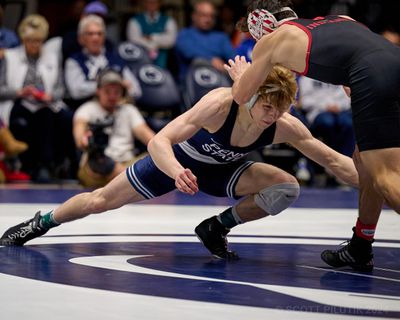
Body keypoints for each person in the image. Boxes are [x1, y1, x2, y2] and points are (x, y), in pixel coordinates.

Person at [0, 65, 358, 261]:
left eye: (281, 108)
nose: (273, 115)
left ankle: (216, 227)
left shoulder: (285, 125)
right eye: (268, 106)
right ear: (250, 98)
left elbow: (334, 162)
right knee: (98, 201)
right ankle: (40, 223)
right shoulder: (220, 104)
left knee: (286, 187)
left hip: (222, 171)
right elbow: (159, 141)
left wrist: (381, 186)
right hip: (176, 161)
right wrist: (176, 171)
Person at [226, 0, 400, 271]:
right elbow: (360, 50)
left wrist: (241, 74)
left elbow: (241, 96)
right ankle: (361, 245)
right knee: (364, 162)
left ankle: (361, 246)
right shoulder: (340, 20)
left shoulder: (271, 41)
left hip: (370, 74)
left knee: (386, 176)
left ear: (262, 24)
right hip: (392, 60)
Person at [0, 14, 76, 182]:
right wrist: (18, 92)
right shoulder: (9, 57)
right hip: (17, 103)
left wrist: (50, 95)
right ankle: (23, 165)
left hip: (45, 104)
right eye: (30, 41)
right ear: (22, 39)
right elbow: (1, 88)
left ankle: (46, 166)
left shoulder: (52, 57)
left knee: (50, 117)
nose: (34, 45)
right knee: (24, 119)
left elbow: (60, 88)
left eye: (38, 41)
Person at [73, 69, 155, 188]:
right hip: (97, 168)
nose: (112, 96)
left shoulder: (129, 110)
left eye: (116, 92)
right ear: (98, 91)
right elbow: (79, 134)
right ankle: (129, 179)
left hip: (127, 163)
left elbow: (147, 135)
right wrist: (84, 140)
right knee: (101, 163)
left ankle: (125, 178)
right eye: (107, 91)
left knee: (156, 158)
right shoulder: (86, 110)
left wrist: (163, 149)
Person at [64, 14, 141, 109]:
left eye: (99, 34)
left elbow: (136, 91)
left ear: (104, 37)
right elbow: (76, 91)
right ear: (81, 39)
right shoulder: (74, 61)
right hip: (88, 110)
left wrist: (125, 89)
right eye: (90, 34)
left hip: (117, 109)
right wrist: (110, 85)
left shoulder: (115, 59)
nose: (95, 38)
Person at [175, 0, 235, 82]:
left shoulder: (221, 37)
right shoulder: (185, 35)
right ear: (194, 16)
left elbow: (233, 57)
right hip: (191, 83)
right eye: (204, 15)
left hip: (218, 81)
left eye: (211, 16)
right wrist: (211, 60)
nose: (208, 19)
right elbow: (188, 52)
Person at [126, 0, 178, 69]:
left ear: (159, 3)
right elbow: (134, 40)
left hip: (163, 64)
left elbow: (171, 40)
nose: (151, 5)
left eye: (154, 2)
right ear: (144, 3)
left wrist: (151, 37)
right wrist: (154, 45)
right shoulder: (134, 20)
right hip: (140, 64)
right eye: (149, 2)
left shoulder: (168, 20)